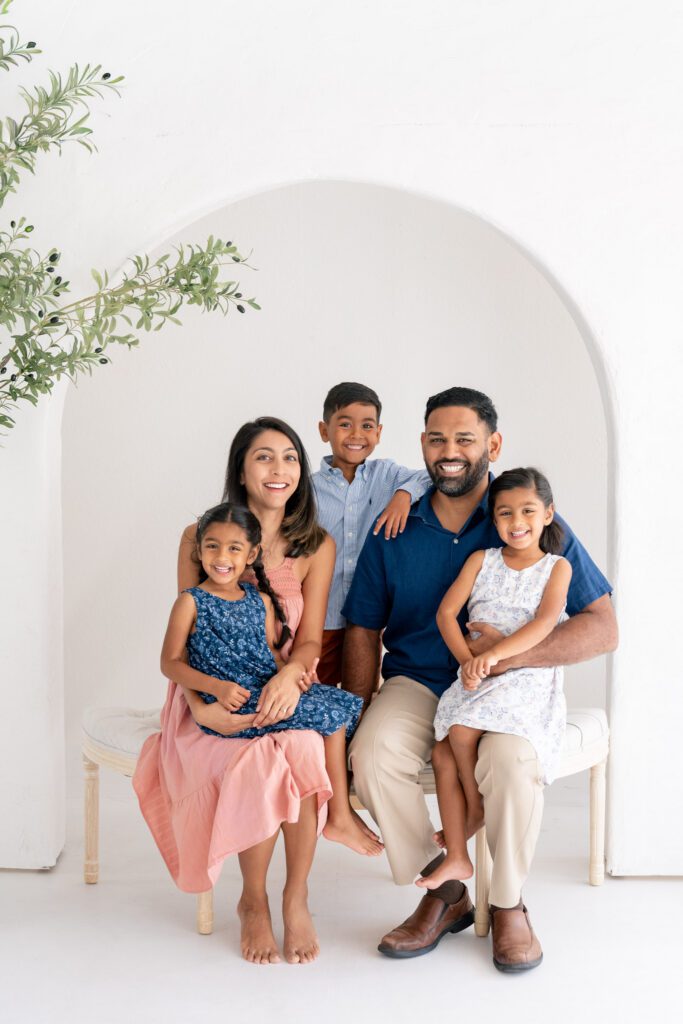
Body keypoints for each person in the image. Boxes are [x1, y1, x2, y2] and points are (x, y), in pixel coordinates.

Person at [342, 387, 617, 971]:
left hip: (508, 685)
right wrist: (353, 712)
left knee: (512, 762)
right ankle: (446, 893)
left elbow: (602, 628)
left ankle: (509, 902)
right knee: (373, 753)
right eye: (437, 439)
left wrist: (504, 660)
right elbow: (363, 627)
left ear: (492, 444)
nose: (450, 452)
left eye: (465, 439)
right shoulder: (393, 527)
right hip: (418, 679)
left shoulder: (528, 518)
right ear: (421, 445)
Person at [135, 416, 348, 965]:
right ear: (241, 468)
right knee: (261, 757)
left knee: (301, 745)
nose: (279, 470)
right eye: (263, 457)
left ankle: (295, 895)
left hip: (284, 686)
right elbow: (189, 642)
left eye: (290, 458)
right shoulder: (201, 537)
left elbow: (308, 643)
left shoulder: (315, 546)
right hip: (208, 697)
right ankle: (252, 900)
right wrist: (204, 709)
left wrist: (287, 678)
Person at [162, 499, 381, 856]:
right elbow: (170, 663)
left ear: (251, 555)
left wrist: (290, 678)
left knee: (336, 705)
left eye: (234, 548)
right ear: (199, 551)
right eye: (212, 546)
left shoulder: (259, 600)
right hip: (233, 700)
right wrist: (214, 688)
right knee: (331, 720)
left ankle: (339, 812)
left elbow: (269, 654)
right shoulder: (191, 601)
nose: (221, 557)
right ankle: (339, 815)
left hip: (262, 687)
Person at [416, 468, 572, 891]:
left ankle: (474, 812)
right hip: (477, 672)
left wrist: (496, 656)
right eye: (505, 513)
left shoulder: (556, 568)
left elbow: (543, 625)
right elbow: (447, 615)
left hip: (525, 676)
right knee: (443, 753)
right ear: (493, 518)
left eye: (527, 511)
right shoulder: (481, 560)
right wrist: (469, 661)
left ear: (547, 514)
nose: (516, 522)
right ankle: (458, 857)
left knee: (462, 730)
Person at [312, 381, 430, 685]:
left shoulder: (387, 475)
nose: (356, 435)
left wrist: (403, 495)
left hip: (367, 620)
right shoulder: (307, 489)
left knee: (360, 692)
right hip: (321, 618)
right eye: (345, 424)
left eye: (367, 426)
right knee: (316, 689)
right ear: (325, 431)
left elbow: (431, 476)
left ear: (378, 433)